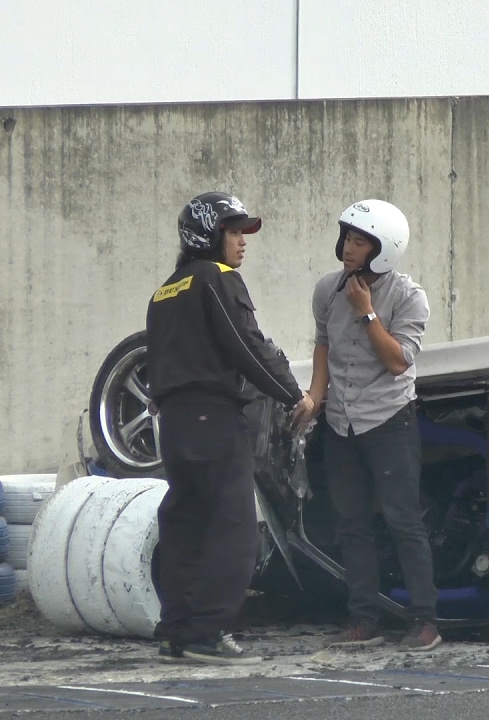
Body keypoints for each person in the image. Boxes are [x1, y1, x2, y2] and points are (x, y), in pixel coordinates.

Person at [145, 191, 314, 664]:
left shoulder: (165, 290)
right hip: (213, 419)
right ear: (211, 234)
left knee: (185, 524)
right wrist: (293, 393)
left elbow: (154, 360)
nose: (243, 242)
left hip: (176, 425)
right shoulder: (216, 278)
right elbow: (247, 344)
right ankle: (209, 631)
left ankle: (175, 630)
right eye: (235, 231)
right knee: (235, 526)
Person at [295, 199, 441, 650]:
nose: (348, 249)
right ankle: (364, 618)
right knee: (350, 523)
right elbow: (323, 345)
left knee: (403, 520)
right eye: (347, 239)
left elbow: (399, 361)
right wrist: (316, 396)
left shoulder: (408, 296)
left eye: (360, 242)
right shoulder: (327, 289)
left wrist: (367, 311)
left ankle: (425, 620)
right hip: (341, 422)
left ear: (383, 249)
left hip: (388, 419)